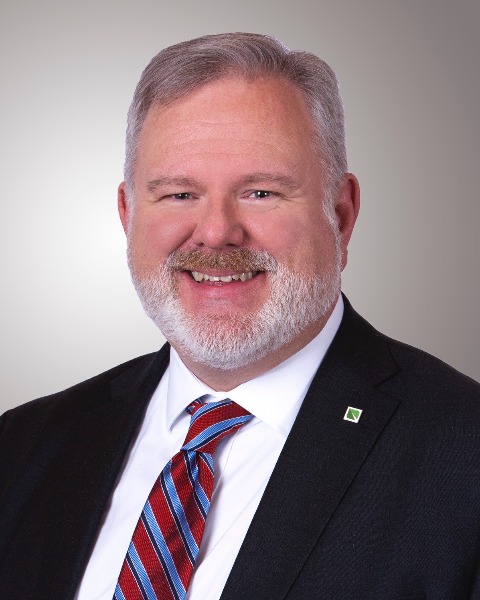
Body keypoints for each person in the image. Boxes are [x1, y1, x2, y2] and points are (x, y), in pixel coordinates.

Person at [0, 32, 479, 600]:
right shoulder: (22, 446)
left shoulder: (463, 455)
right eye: (179, 195)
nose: (216, 233)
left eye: (260, 192)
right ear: (127, 214)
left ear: (341, 213)